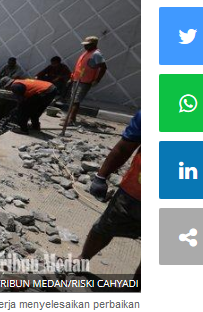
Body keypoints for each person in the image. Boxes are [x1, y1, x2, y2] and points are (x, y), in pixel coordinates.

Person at [79, 110, 141, 281]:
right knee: (105, 227)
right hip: (135, 192)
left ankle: (137, 289)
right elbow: (124, 147)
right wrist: (101, 176)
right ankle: (81, 261)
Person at [64, 36, 107, 126]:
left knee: (76, 101)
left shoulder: (96, 54)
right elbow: (80, 66)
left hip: (85, 81)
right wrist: (72, 76)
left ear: (93, 44)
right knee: (73, 100)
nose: (85, 46)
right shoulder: (87, 52)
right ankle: (69, 117)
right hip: (78, 79)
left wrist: (97, 80)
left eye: (87, 45)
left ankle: (71, 120)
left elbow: (103, 67)